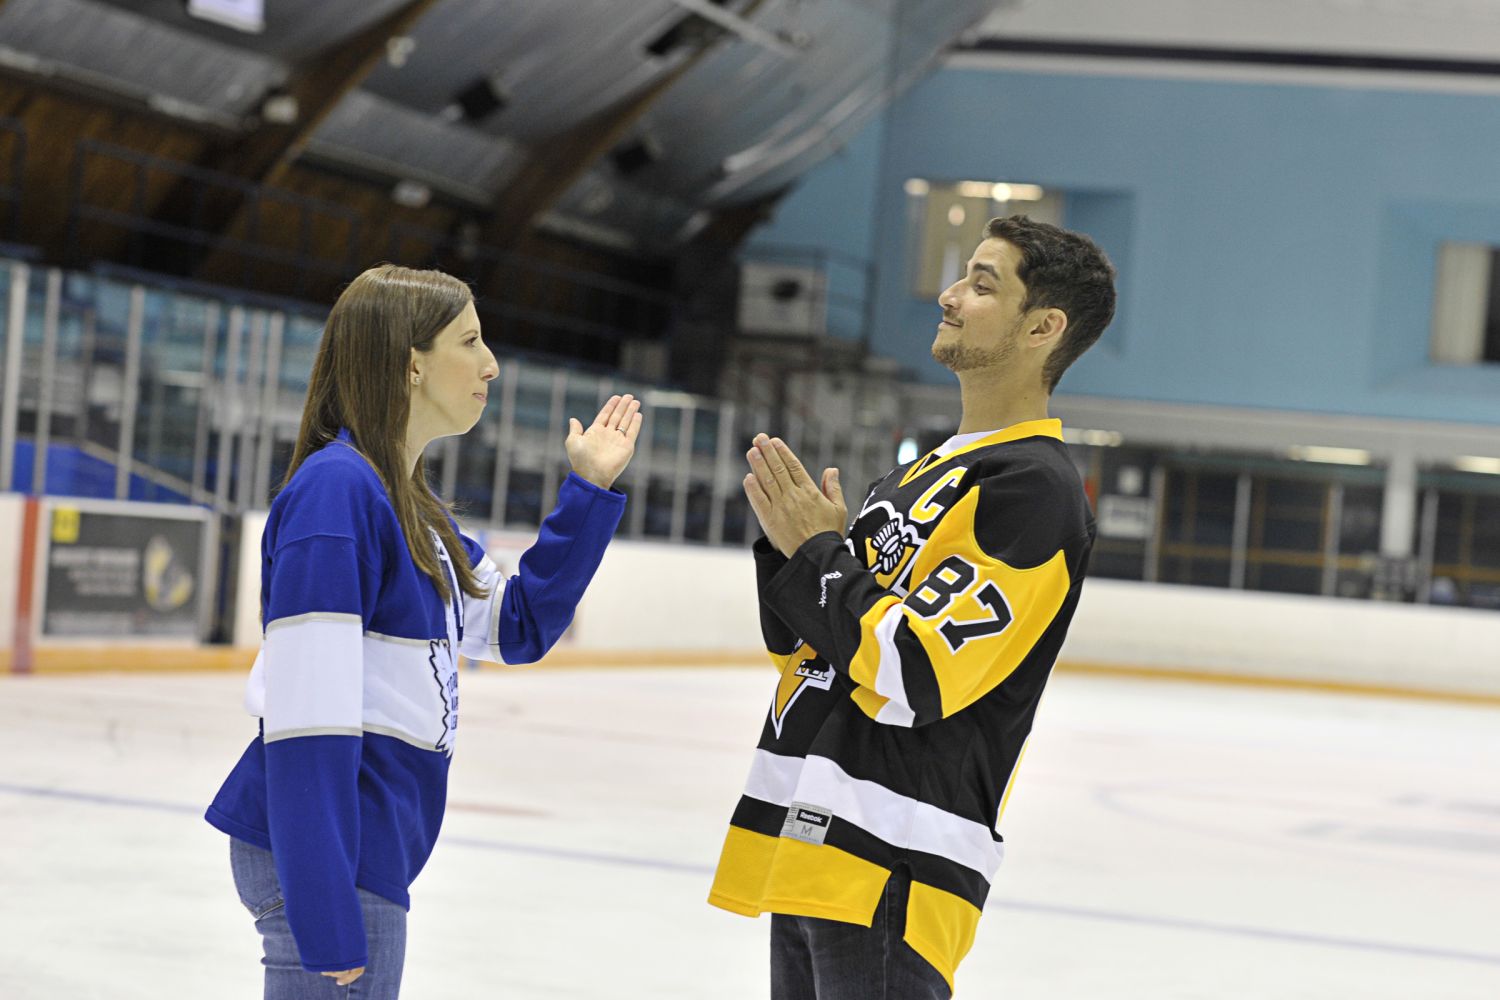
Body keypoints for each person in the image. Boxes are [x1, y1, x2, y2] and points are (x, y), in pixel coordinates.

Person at [205, 264, 642, 998]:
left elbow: (518, 625)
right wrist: (324, 905)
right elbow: (307, 717)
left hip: (361, 847)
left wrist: (589, 490)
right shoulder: (337, 494)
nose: (491, 365)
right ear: (411, 363)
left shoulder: (407, 506)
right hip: (336, 854)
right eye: (470, 342)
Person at [708, 216, 1116, 998]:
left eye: (981, 283)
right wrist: (793, 548)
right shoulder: (917, 477)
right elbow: (818, 655)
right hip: (815, 836)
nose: (950, 293)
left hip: (893, 859)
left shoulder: (1032, 489)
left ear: (1044, 327)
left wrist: (820, 553)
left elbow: (914, 670)